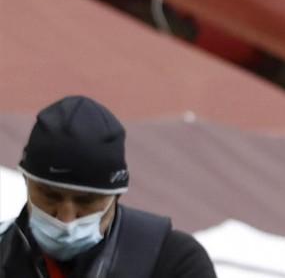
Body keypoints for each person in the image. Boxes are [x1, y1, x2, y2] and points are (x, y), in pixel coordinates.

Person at [0, 96, 216, 277]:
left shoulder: (172, 262)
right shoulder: (4, 253)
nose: (66, 220)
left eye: (86, 201)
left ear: (116, 196)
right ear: (27, 183)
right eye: (50, 196)